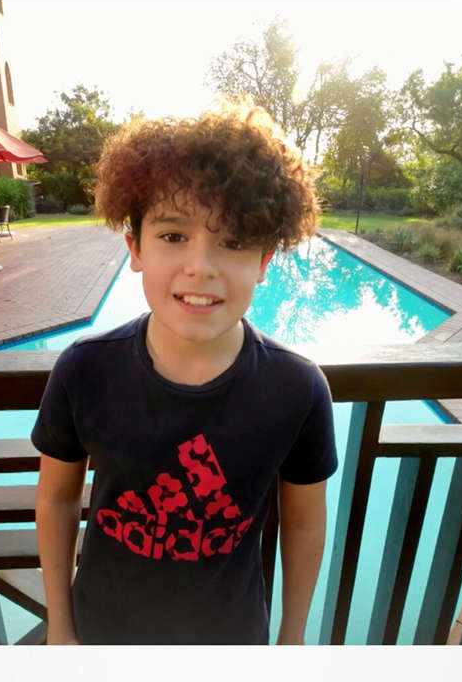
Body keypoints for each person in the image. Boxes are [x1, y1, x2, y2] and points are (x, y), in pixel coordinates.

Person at [33, 100, 337, 645]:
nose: (201, 266)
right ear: (135, 248)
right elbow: (57, 499)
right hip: (104, 634)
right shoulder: (84, 370)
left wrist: (292, 642)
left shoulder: (297, 389)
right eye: (173, 236)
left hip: (230, 640)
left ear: (264, 260)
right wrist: (59, 626)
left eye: (233, 241)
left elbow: (304, 523)